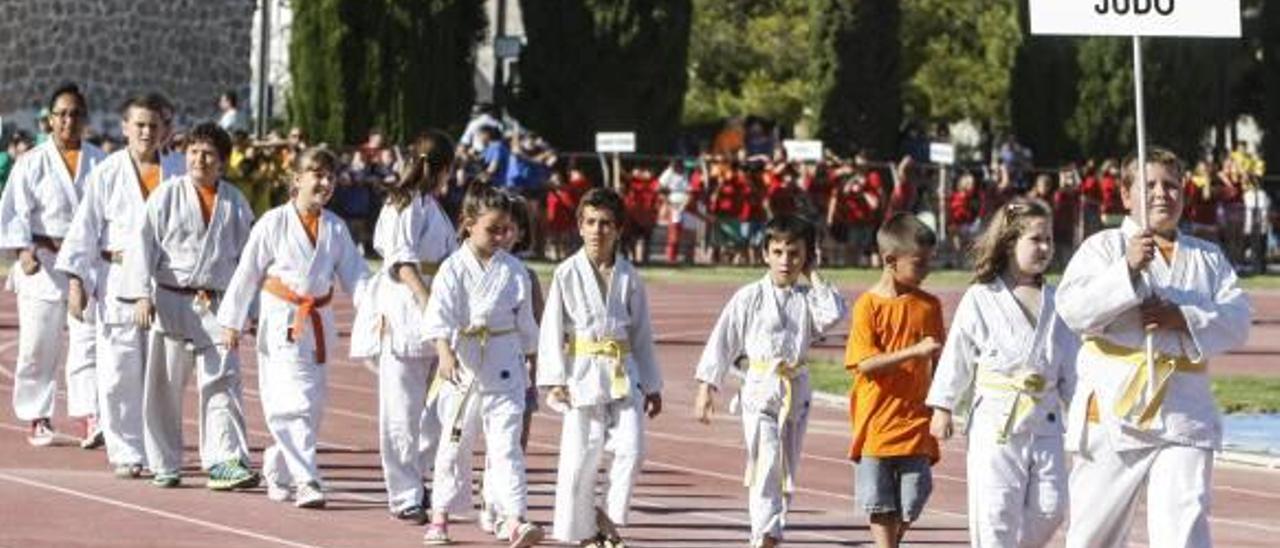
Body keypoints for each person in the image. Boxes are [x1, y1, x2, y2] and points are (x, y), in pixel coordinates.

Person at [1056, 148, 1251, 548]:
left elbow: (1237, 320)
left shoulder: (1208, 258)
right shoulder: (1103, 248)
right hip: (1113, 412)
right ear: (1126, 196)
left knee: (1183, 528)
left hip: (1183, 412)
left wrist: (1182, 317)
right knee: (1092, 535)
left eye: (1171, 185)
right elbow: (1072, 310)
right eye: (1149, 186)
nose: (1162, 194)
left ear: (1184, 193)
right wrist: (1125, 271)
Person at [217, 146, 368, 507]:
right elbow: (248, 271)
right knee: (291, 403)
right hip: (281, 319)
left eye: (330, 176)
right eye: (317, 174)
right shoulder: (273, 222)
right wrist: (232, 320)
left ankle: (278, 467)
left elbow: (357, 276)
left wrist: (376, 311)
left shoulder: (335, 228)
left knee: (312, 405)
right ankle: (307, 481)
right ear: (296, 179)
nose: (325, 182)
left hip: (317, 323)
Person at [927, 199, 1079, 547]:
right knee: (994, 513)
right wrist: (943, 406)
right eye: (1035, 239)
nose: (1045, 248)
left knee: (1051, 508)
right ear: (1010, 243)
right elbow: (958, 354)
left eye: (1049, 240)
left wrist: (1088, 411)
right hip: (997, 422)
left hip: (1046, 420)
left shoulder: (1059, 302)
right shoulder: (982, 296)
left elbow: (1072, 365)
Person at [694, 214, 848, 548]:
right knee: (767, 459)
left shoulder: (808, 298)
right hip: (760, 388)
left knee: (786, 468)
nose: (785, 261)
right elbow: (724, 339)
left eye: (794, 254)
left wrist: (814, 275)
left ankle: (773, 529)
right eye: (777, 252)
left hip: (796, 391)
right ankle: (763, 535)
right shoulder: (748, 297)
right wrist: (707, 386)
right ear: (765, 253)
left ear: (807, 256)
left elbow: (834, 315)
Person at [120, 122, 258, 490]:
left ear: (223, 163)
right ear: (185, 156)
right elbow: (142, 245)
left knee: (223, 382)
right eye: (194, 152)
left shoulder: (235, 203)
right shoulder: (165, 196)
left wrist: (251, 309)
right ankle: (165, 462)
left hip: (216, 305)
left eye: (209, 154)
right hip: (170, 298)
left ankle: (224, 460)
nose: (200, 158)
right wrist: (141, 294)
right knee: (164, 386)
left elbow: (250, 262)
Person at [56, 93, 186, 478]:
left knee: (162, 371)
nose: (146, 132)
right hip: (118, 278)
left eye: (153, 125)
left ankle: (157, 448)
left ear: (165, 129)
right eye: (139, 125)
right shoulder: (107, 173)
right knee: (118, 370)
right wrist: (77, 281)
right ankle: (126, 450)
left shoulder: (178, 171)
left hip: (166, 281)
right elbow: (84, 230)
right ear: (125, 127)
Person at [538, 188, 663, 547]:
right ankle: (583, 533)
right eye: (590, 222)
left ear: (619, 229)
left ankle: (605, 512)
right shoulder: (566, 272)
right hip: (583, 372)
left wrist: (652, 384)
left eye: (606, 223)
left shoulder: (628, 276)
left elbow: (641, 334)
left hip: (625, 372)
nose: (597, 231)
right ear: (579, 226)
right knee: (582, 457)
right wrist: (554, 379)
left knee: (632, 448)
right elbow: (551, 328)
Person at [420, 185, 544, 546]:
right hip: (464, 365)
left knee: (507, 446)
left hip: (506, 363)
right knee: (455, 444)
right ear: (469, 224)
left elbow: (527, 326)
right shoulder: (453, 268)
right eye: (493, 229)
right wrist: (444, 352)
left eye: (506, 229)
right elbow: (438, 316)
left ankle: (513, 518)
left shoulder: (514, 270)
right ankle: (441, 518)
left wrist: (533, 363)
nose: (502, 237)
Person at [349, 131, 457, 523]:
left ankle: (419, 474)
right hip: (406, 314)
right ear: (445, 168)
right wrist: (428, 302)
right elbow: (402, 263)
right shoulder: (402, 204)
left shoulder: (433, 207)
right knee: (400, 411)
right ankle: (405, 493)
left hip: (436, 313)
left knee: (438, 409)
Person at [0, 83, 106, 447]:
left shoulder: (101, 162)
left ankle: (89, 414)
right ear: (49, 120)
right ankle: (37, 415)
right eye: (62, 114)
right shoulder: (31, 161)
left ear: (85, 119)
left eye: (76, 114)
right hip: (44, 262)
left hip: (86, 265)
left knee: (87, 343)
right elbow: (12, 212)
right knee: (37, 344)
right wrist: (23, 251)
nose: (68, 121)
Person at [844, 213, 944, 548]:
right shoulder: (867, 306)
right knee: (879, 501)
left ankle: (894, 539)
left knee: (914, 496)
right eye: (920, 263)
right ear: (890, 260)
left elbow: (940, 360)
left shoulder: (930, 306)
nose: (928, 270)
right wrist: (914, 351)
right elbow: (866, 364)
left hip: (915, 421)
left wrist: (944, 406)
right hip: (875, 423)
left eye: (931, 261)